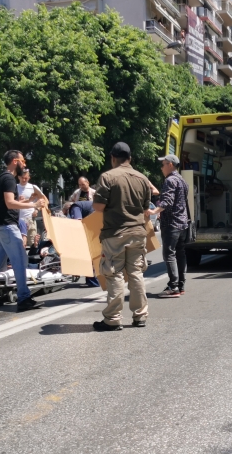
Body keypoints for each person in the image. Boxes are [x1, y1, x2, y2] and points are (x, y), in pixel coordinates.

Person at [92, 142, 152, 331]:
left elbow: (99, 207)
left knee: (114, 273)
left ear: (113, 158)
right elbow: (145, 209)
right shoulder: (142, 178)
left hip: (115, 233)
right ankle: (140, 316)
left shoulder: (108, 177)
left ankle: (112, 319)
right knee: (136, 273)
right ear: (130, 159)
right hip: (137, 232)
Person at [0, 150, 47, 312]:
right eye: (23, 161)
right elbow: (9, 204)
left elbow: (7, 202)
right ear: (15, 161)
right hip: (8, 226)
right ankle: (24, 298)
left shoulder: (1, 177)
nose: (25, 164)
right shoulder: (9, 178)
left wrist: (22, 201)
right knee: (20, 261)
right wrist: (34, 205)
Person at [150, 154, 190, 298]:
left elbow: (167, 201)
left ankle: (173, 287)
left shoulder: (170, 180)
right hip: (182, 223)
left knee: (169, 254)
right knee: (180, 254)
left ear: (171, 165)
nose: (162, 168)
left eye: (163, 164)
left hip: (171, 223)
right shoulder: (182, 181)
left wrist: (154, 211)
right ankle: (180, 285)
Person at [17, 169, 44, 249]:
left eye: (26, 178)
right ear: (19, 177)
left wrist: (37, 209)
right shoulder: (15, 187)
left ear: (29, 177)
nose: (24, 179)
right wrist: (19, 200)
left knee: (33, 242)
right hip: (18, 219)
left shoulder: (33, 187)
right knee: (20, 243)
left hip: (30, 218)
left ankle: (33, 259)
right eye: (22, 178)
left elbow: (43, 199)